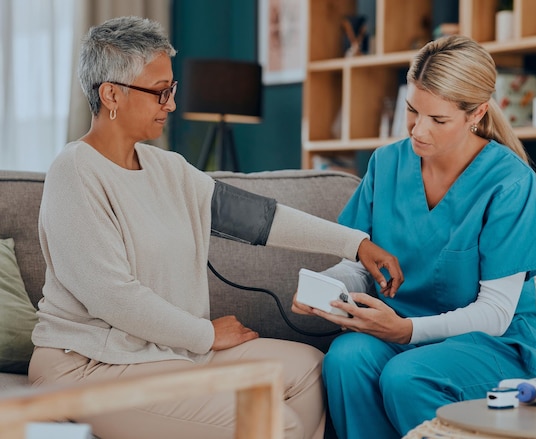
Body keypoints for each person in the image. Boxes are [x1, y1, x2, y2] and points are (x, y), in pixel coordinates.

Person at [28, 16, 403, 439]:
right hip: (87, 365)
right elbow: (112, 296)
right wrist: (205, 334)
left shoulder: (165, 166)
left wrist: (356, 243)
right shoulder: (75, 171)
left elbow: (258, 218)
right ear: (111, 93)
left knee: (309, 369)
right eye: (159, 92)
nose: (170, 104)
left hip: (167, 352)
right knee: (271, 423)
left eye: (172, 90)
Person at [292, 34, 536, 439]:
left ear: (477, 113)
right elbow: (359, 262)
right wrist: (329, 290)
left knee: (406, 376)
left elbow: (496, 313)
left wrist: (406, 330)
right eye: (412, 110)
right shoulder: (387, 163)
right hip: (402, 333)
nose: (417, 130)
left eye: (438, 119)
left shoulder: (510, 182)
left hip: (489, 345)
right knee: (346, 358)